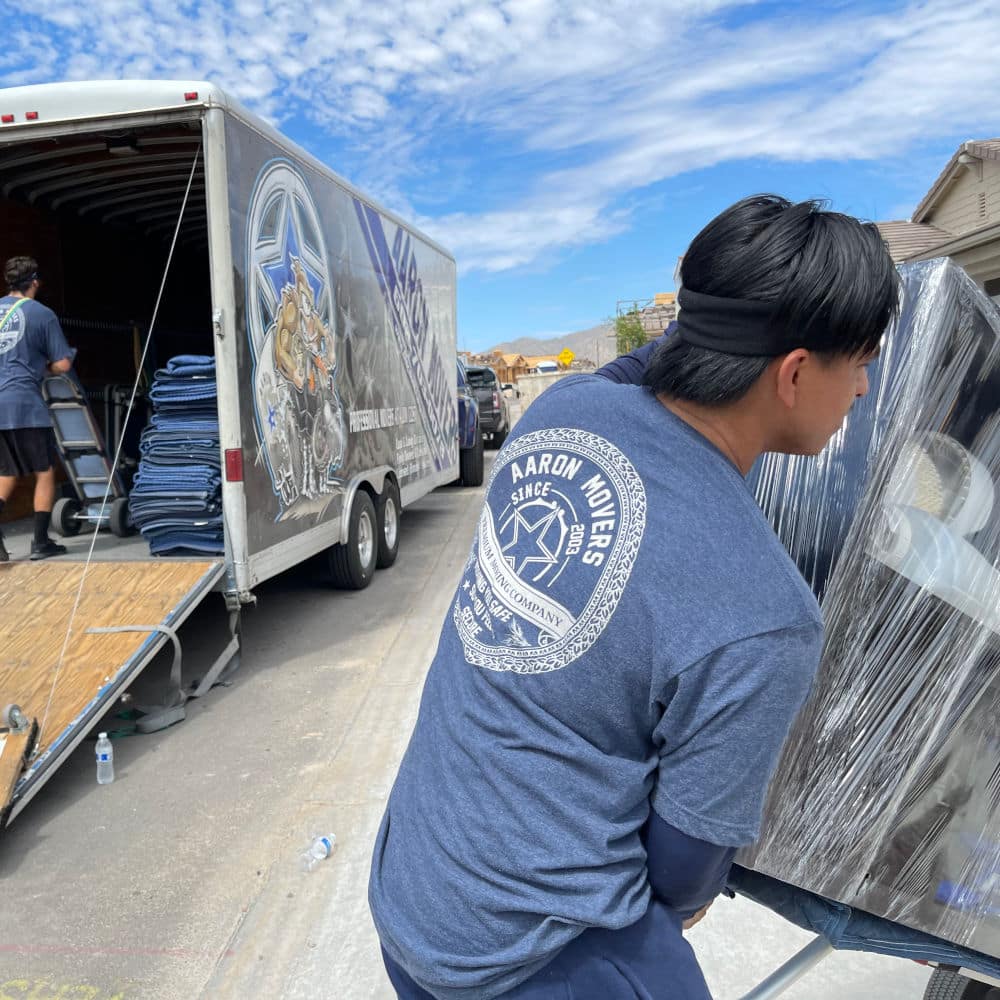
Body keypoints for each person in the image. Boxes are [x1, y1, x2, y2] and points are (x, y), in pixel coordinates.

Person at [370, 195, 901, 999]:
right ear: (794, 373)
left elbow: (639, 368)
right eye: (858, 362)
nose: (862, 389)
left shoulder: (556, 414)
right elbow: (683, 875)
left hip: (413, 891)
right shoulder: (767, 615)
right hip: (528, 959)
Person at [0, 256, 74, 562]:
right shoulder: (42, 314)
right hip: (25, 403)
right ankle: (41, 542)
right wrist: (45, 364)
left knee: (5, 473)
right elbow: (62, 363)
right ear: (35, 282)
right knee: (45, 472)